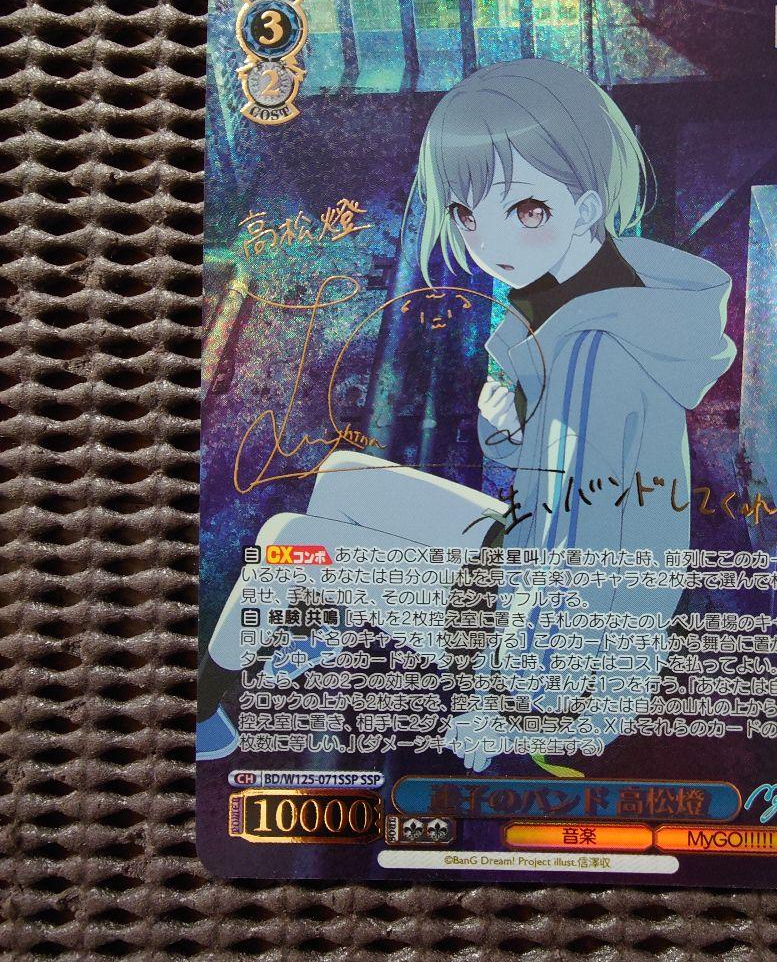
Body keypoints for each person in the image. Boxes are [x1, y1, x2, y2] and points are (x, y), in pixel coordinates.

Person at [196, 57, 736, 771]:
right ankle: (322, 622)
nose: (491, 244)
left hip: (562, 654)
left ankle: (202, 713)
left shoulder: (594, 355)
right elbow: (555, 481)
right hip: (531, 566)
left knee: (287, 541)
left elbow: (585, 555)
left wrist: (508, 705)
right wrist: (507, 430)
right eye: (467, 216)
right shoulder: (605, 288)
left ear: (585, 208)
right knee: (344, 477)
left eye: (527, 211)